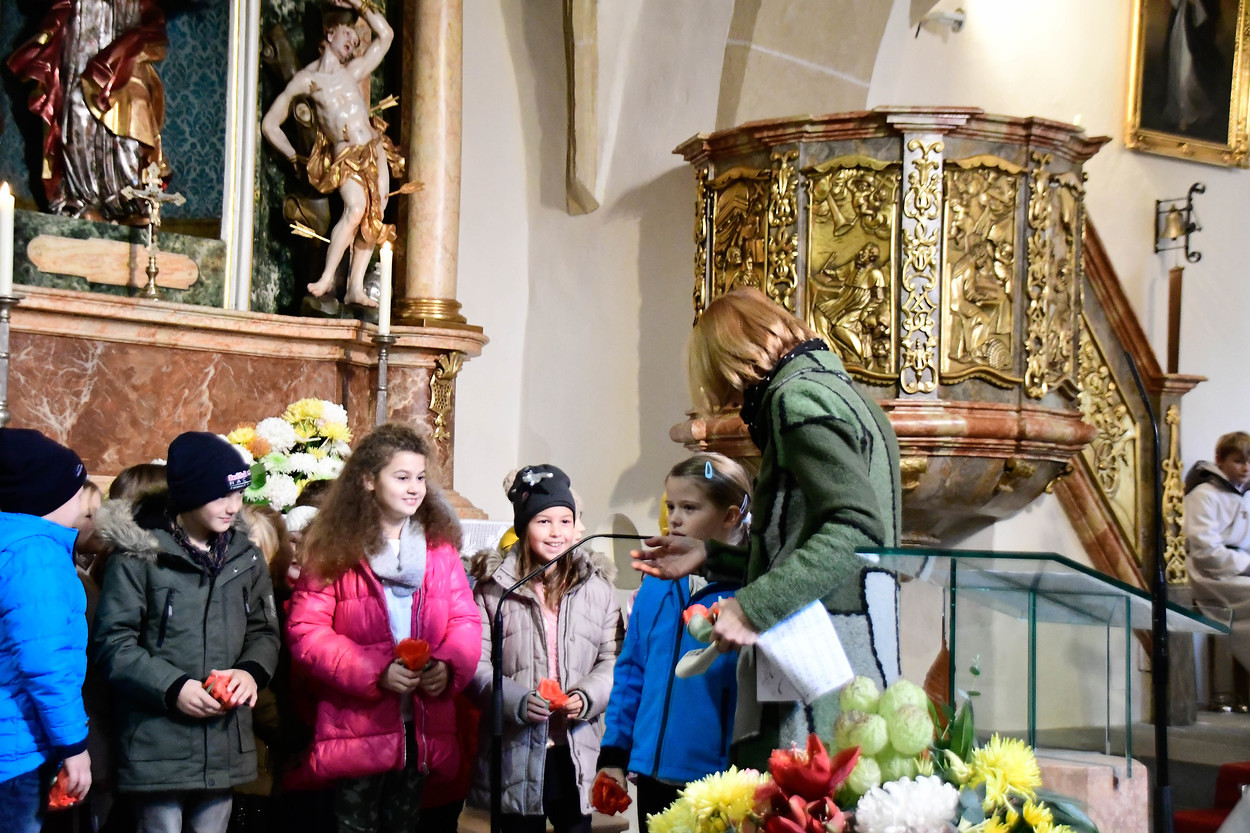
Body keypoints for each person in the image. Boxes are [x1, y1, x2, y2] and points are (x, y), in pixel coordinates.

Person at [632, 287, 901, 765]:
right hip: (852, 646)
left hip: (819, 657)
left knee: (805, 792)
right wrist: (711, 555)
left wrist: (753, 607)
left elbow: (857, 528)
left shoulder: (797, 399)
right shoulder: (848, 396)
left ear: (729, 359)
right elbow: (802, 542)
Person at [285, 423, 481, 833]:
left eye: (421, 478)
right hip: (358, 723)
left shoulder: (439, 548)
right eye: (402, 477)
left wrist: (447, 666)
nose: (414, 489)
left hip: (421, 721)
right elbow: (307, 632)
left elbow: (464, 620)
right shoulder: (334, 547)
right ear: (369, 480)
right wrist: (375, 671)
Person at [92, 432, 280, 833]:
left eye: (239, 494)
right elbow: (114, 643)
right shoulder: (139, 557)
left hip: (225, 740)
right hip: (158, 743)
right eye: (221, 496)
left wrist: (250, 672)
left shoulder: (245, 557)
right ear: (190, 493)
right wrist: (173, 687)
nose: (234, 507)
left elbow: (265, 631)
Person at [465, 465, 621, 833]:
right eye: (543, 521)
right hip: (515, 753)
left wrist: (587, 695)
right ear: (523, 526)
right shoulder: (493, 589)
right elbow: (474, 665)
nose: (556, 532)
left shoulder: (596, 587)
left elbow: (614, 659)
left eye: (565, 521)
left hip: (576, 749)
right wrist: (516, 700)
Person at [597, 453, 750, 822]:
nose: (675, 518)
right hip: (652, 773)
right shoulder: (657, 582)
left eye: (689, 507)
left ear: (730, 516)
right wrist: (614, 754)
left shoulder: (751, 591)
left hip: (720, 781)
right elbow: (632, 670)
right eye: (671, 506)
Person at [261, 0, 418, 307]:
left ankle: (355, 288)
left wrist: (359, 4)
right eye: (348, 34)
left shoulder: (353, 71)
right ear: (330, 33)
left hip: (373, 147)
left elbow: (386, 35)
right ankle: (327, 277)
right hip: (345, 154)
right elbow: (270, 124)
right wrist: (293, 156)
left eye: (356, 40)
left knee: (375, 215)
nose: (353, 42)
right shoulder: (307, 80)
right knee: (355, 209)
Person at [0, 429, 92, 833]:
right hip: (16, 749)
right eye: (76, 488)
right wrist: (73, 745)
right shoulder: (34, 555)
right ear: (47, 497)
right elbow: (45, 664)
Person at [1184, 431, 1250, 672]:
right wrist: (1246, 565)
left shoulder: (1246, 495)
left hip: (1240, 569)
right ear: (1219, 459)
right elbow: (1205, 550)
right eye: (1239, 461)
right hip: (1210, 574)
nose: (1246, 468)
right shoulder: (1203, 495)